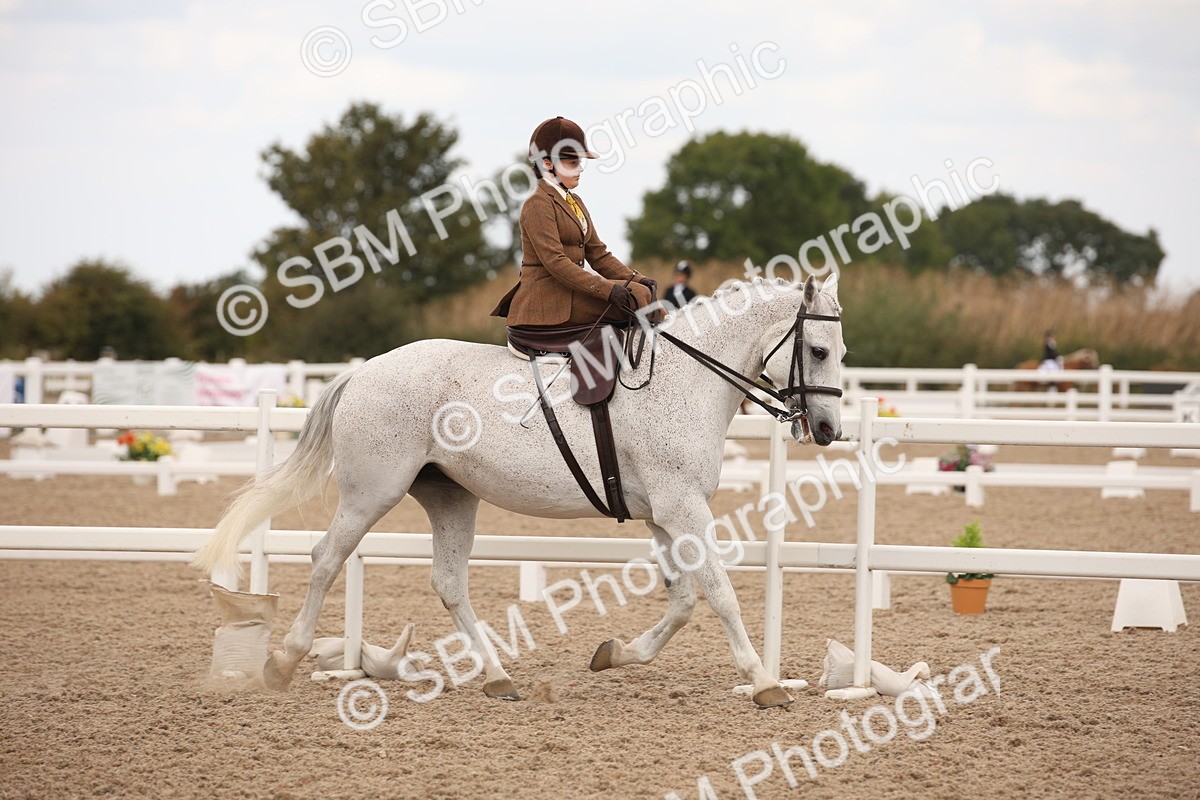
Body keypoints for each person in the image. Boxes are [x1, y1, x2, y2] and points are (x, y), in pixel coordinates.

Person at [491, 116, 657, 334]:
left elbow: (598, 254)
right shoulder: (537, 205)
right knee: (636, 296)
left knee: (641, 291)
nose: (580, 169)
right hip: (548, 300)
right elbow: (556, 262)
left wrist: (636, 278)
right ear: (547, 164)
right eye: (572, 163)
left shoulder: (575, 202)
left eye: (580, 162)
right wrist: (606, 289)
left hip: (570, 293)